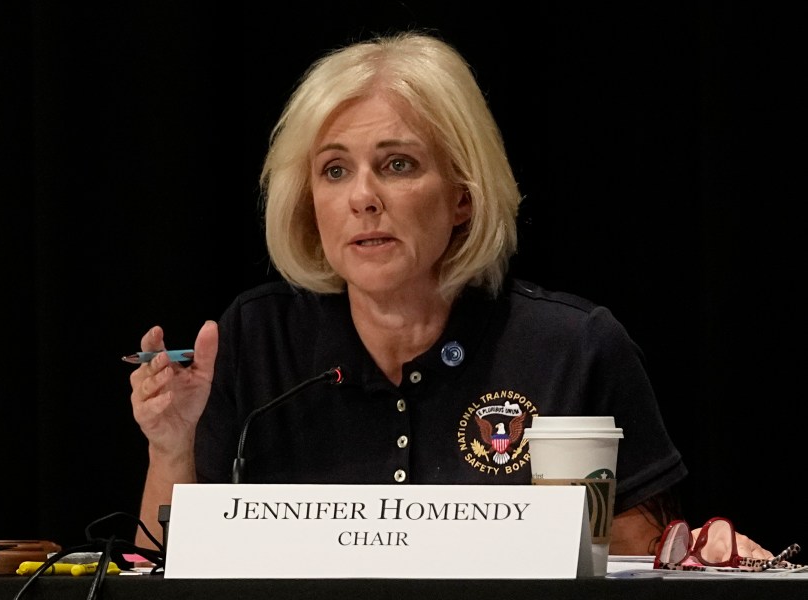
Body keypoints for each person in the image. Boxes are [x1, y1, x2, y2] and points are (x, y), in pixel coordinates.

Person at [128, 30, 772, 560]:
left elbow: (640, 565)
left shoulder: (572, 348)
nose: (362, 197)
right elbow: (164, 571)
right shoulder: (257, 337)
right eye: (334, 169)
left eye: (397, 163)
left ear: (463, 194)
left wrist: (707, 557)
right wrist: (171, 443)